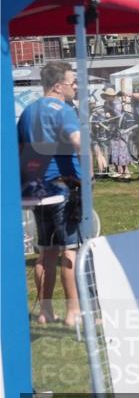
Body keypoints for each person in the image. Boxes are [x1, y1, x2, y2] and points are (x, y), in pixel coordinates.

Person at [18, 61, 84, 327]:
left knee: (46, 253)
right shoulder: (64, 110)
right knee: (70, 251)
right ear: (58, 86)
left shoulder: (27, 112)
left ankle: (45, 311)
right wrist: (90, 170)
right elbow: (78, 141)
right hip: (62, 187)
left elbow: (20, 150)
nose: (75, 87)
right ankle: (73, 312)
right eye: (72, 82)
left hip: (36, 189)